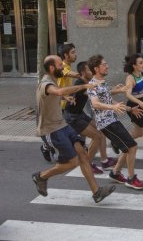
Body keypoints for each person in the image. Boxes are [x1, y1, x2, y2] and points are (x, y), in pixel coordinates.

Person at [33, 55, 115, 203]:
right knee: (72, 162)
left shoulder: (53, 81)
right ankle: (41, 177)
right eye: (60, 65)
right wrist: (83, 86)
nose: (63, 68)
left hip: (63, 125)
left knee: (83, 155)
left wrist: (66, 98)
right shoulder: (45, 83)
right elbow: (56, 92)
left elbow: (54, 95)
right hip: (51, 130)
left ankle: (97, 192)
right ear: (52, 68)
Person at [87, 54, 143, 190]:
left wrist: (130, 109)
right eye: (104, 64)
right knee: (132, 146)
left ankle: (115, 173)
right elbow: (95, 104)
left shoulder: (102, 82)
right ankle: (131, 179)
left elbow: (108, 100)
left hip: (112, 120)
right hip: (105, 123)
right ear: (96, 68)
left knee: (128, 147)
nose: (107, 66)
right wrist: (112, 107)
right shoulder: (92, 85)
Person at [64, 61, 117, 174]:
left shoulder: (88, 82)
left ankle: (104, 161)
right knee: (96, 136)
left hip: (79, 114)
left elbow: (101, 91)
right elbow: (99, 95)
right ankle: (87, 164)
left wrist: (113, 89)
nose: (92, 71)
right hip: (72, 117)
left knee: (102, 131)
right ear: (83, 72)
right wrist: (119, 90)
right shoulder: (80, 84)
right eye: (89, 69)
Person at [39, 43, 80, 162]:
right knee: (62, 132)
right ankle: (50, 148)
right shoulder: (62, 68)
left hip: (64, 104)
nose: (75, 54)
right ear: (65, 55)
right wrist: (82, 75)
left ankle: (50, 147)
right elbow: (67, 73)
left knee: (68, 130)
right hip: (58, 108)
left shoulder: (66, 66)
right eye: (73, 52)